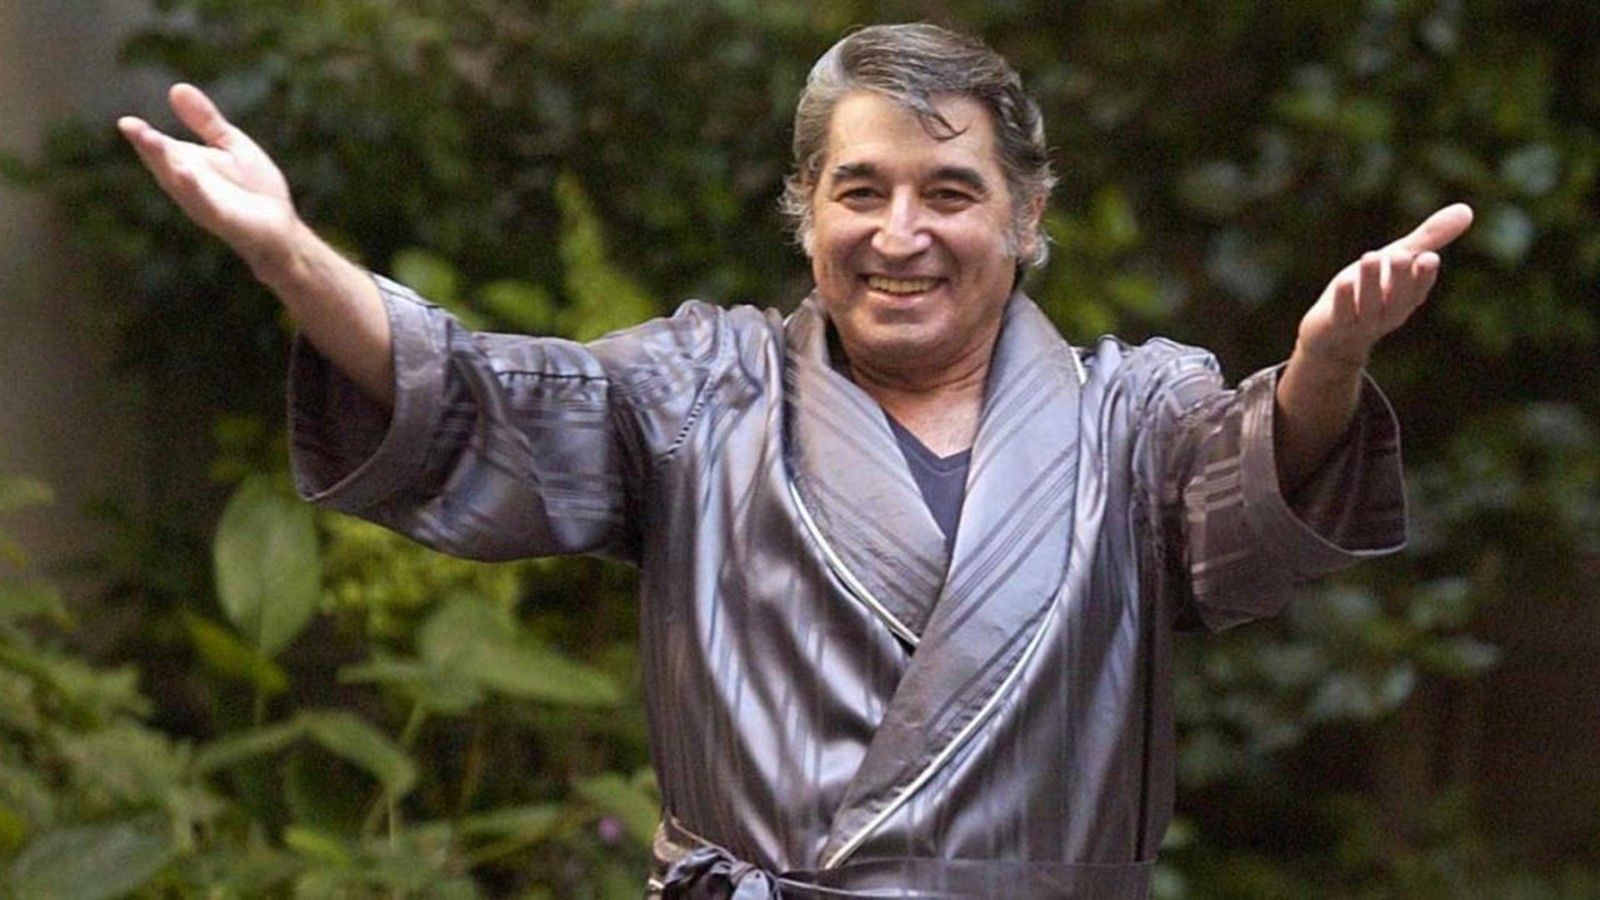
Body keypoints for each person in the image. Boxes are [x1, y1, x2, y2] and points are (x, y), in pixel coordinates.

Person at [119, 22, 1472, 900]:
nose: (900, 233)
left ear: (1025, 218)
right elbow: (475, 398)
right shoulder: (700, 391)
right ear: (805, 210)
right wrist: (292, 259)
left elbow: (1242, 506)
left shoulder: (1133, 414)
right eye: (858, 190)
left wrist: (1324, 371)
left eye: (950, 192)